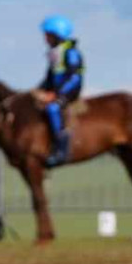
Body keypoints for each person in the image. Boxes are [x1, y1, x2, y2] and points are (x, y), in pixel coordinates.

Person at [37, 15, 85, 168]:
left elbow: (74, 77)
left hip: (69, 91)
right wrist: (38, 90)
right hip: (56, 91)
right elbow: (49, 78)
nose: (45, 38)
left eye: (48, 35)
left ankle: (61, 149)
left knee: (53, 108)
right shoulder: (54, 53)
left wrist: (57, 94)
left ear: (58, 34)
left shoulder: (71, 52)